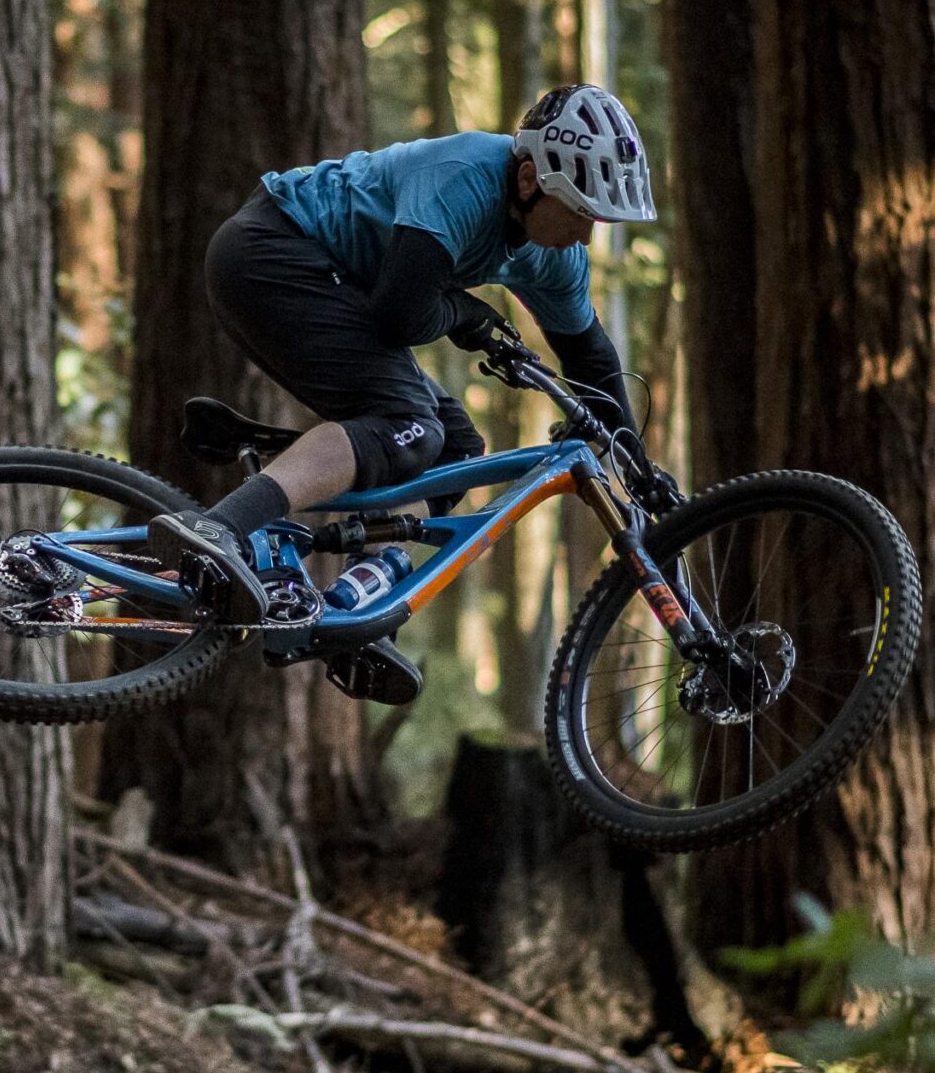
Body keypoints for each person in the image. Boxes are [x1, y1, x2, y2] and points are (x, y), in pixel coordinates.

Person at [147, 83, 658, 686]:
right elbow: (399, 314)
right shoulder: (464, 178)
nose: (588, 233)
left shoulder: (554, 255)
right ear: (528, 180)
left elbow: (591, 359)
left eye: (597, 217)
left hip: (340, 283)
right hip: (271, 252)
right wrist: (468, 315)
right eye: (580, 210)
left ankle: (354, 608)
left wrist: (638, 471)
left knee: (457, 448)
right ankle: (218, 528)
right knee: (403, 426)